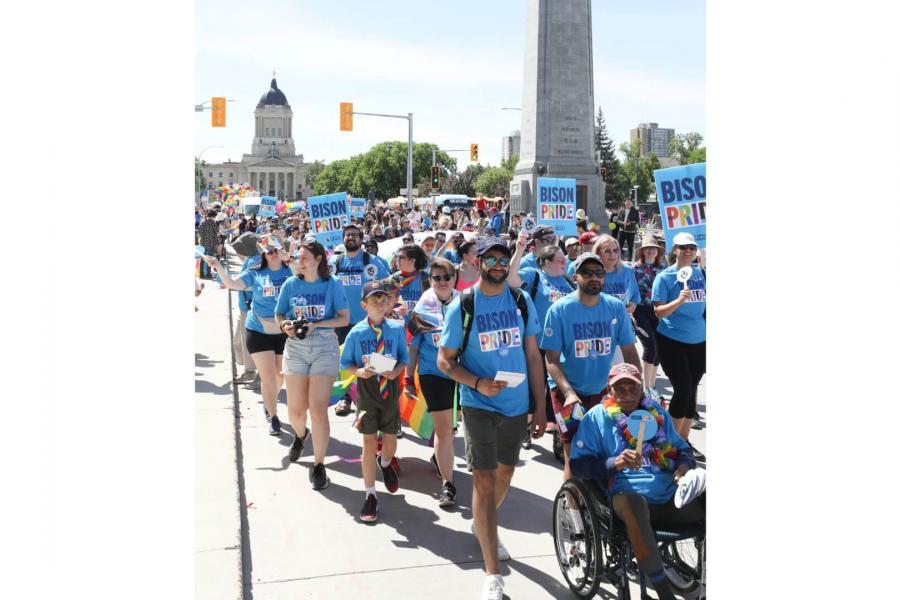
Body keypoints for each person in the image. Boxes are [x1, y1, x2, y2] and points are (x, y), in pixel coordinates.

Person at [437, 237, 546, 600]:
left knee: (505, 475)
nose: (499, 265)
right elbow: (445, 361)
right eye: (492, 259)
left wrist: (540, 404)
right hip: (478, 403)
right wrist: (478, 383)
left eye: (504, 259)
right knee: (483, 482)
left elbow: (533, 354)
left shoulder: (521, 300)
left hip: (516, 406)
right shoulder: (463, 305)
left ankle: (481, 523)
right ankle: (493, 575)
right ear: (479, 261)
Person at [569, 363, 703, 600]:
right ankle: (664, 594)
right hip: (625, 498)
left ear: (642, 390)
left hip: (671, 497)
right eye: (620, 389)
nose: (628, 394)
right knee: (634, 504)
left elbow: (683, 449)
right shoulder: (596, 418)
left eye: (633, 388)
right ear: (610, 392)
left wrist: (683, 468)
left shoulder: (657, 414)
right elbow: (579, 466)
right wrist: (615, 463)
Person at [540, 253, 640, 481]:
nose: (594, 277)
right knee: (574, 454)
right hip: (568, 392)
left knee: (606, 450)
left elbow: (630, 352)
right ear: (575, 276)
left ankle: (599, 503)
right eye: (587, 273)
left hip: (604, 392)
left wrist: (638, 388)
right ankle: (571, 507)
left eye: (599, 273)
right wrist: (569, 393)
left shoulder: (615, 308)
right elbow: (551, 360)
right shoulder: (559, 310)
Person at [273, 240, 349, 489]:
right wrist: (285, 326)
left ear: (318, 259)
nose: (300, 260)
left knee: (317, 409)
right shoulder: (290, 283)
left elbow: (343, 319)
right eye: (299, 256)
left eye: (305, 256)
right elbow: (280, 314)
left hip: (324, 348)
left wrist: (316, 325)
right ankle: (301, 435)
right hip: (295, 348)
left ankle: (319, 465)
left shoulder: (332, 284)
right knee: (295, 411)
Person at [203, 235, 292, 435]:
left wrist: (292, 258)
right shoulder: (255, 274)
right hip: (258, 329)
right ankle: (273, 416)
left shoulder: (290, 272)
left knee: (280, 376)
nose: (274, 254)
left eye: (277, 250)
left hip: (284, 330)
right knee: (268, 377)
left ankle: (269, 402)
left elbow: (310, 274)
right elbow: (232, 284)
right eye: (269, 252)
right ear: (264, 255)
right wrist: (217, 265)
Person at [340, 281, 409, 522]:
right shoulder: (357, 332)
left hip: (389, 389)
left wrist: (397, 371)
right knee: (369, 441)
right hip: (368, 391)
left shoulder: (396, 329)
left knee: (389, 442)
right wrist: (359, 372)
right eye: (373, 302)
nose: (379, 306)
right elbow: (346, 365)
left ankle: (386, 461)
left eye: (383, 301)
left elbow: (403, 359)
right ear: (363, 305)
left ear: (389, 302)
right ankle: (370, 495)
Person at [406, 258, 460, 507]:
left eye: (445, 277)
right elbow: (413, 348)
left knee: (452, 427)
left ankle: (441, 460)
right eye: (435, 278)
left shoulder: (466, 303)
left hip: (462, 375)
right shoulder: (420, 310)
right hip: (432, 373)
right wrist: (408, 377)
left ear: (454, 278)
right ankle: (447, 484)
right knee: (444, 430)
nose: (441, 282)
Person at [652, 232, 706, 457]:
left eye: (692, 247)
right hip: (672, 340)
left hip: (700, 339)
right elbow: (658, 311)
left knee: (691, 390)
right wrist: (679, 300)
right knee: (682, 389)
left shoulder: (701, 274)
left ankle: (683, 442)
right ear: (674, 250)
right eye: (683, 247)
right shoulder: (664, 277)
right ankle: (669, 445)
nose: (688, 251)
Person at [631, 235, 667, 401]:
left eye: (654, 248)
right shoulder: (633, 269)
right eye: (648, 248)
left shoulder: (664, 269)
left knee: (659, 348)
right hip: (640, 311)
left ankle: (652, 386)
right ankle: (647, 387)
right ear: (643, 251)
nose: (651, 250)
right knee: (650, 346)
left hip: (659, 311)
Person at [592, 234, 639, 314]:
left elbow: (635, 296)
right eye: (607, 251)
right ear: (598, 253)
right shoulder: (591, 274)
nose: (612, 255)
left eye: (615, 251)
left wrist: (633, 305)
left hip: (622, 319)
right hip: (599, 320)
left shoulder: (628, 271)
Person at [391, 244, 430, 322]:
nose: (397, 260)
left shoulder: (426, 278)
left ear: (412, 260)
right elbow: (384, 306)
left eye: (401, 257)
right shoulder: (393, 278)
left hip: (419, 327)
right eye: (397, 257)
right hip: (398, 326)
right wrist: (394, 311)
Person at [197, 210, 219, 279]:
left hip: (203, 243)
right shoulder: (213, 223)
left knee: (203, 259)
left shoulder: (202, 223)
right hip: (211, 243)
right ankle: (207, 274)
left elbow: (199, 232)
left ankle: (201, 274)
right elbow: (217, 232)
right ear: (212, 216)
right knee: (209, 258)